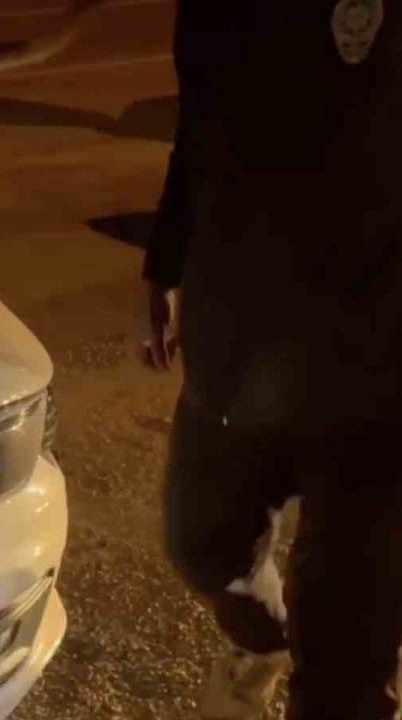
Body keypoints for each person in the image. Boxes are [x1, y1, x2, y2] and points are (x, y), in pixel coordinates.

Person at [142, 1, 402, 718]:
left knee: (347, 651)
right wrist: (164, 262)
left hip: (381, 373)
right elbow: (200, 127)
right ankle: (266, 640)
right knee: (203, 546)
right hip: (239, 341)